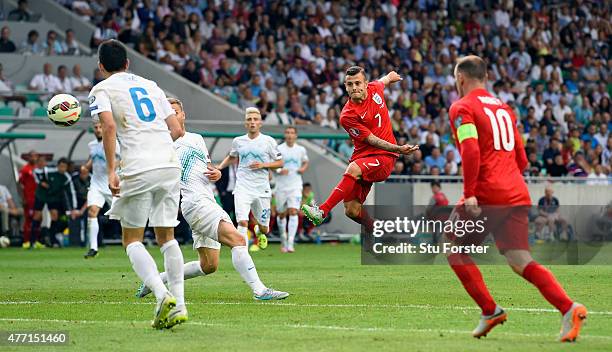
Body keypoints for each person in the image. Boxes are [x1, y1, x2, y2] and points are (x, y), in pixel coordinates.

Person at [446, 55, 585, 342]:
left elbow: (471, 150)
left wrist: (471, 193)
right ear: (485, 77)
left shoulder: (462, 107)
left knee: (452, 245)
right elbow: (521, 158)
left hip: (487, 192)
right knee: (520, 260)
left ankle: (489, 310)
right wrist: (508, 181)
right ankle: (568, 307)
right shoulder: (505, 109)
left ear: (461, 79)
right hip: (515, 190)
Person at [135, 98, 288, 301]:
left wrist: (216, 173)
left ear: (183, 115)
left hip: (205, 200)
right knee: (238, 239)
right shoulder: (163, 147)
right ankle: (259, 290)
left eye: (175, 111)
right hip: (195, 203)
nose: (173, 115)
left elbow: (208, 168)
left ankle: (154, 280)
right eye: (168, 113)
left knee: (208, 265)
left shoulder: (197, 138)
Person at [88, 39, 185, 329]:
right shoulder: (152, 85)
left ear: (101, 66)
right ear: (128, 63)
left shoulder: (101, 89)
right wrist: (157, 150)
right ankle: (179, 305)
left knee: (131, 239)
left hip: (139, 166)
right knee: (166, 236)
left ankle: (160, 294)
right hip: (169, 163)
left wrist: (111, 171)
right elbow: (177, 129)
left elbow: (108, 126)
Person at [302, 66, 418, 226]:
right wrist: (399, 148)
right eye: (350, 84)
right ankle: (379, 232)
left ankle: (322, 211)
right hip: (365, 156)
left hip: (385, 156)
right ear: (345, 87)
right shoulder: (347, 115)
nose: (354, 87)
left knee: (354, 169)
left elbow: (383, 81)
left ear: (366, 84)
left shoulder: (375, 88)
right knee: (352, 210)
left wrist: (390, 76)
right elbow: (371, 139)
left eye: (358, 83)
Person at [217, 107, 284, 251]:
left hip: (261, 189)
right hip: (242, 187)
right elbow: (232, 156)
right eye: (249, 119)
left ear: (260, 123)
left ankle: (260, 232)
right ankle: (243, 253)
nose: (252, 122)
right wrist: (219, 167)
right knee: (242, 221)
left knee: (264, 227)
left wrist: (263, 165)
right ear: (245, 123)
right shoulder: (238, 141)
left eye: (255, 119)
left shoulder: (268, 141)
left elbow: (280, 162)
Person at [82, 121, 120, 258]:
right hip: (96, 184)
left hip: (112, 184)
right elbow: (93, 158)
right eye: (96, 128)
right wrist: (86, 167)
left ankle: (135, 242)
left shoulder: (115, 143)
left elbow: (123, 160)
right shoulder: (92, 145)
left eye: (100, 127)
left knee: (124, 216)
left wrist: (113, 168)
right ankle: (93, 248)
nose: (98, 130)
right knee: (92, 211)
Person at [275, 126, 309, 253]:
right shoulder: (279, 149)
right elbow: (272, 166)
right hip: (281, 186)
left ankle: (290, 243)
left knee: (294, 211)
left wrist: (303, 168)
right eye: (287, 133)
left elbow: (305, 162)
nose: (289, 135)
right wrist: (279, 170)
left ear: (296, 135)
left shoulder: (301, 149)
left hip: (295, 185)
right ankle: (283, 239)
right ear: (285, 135)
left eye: (292, 133)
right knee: (282, 214)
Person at [32, 158, 78, 247]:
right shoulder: (49, 171)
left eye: (64, 167)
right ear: (57, 166)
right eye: (61, 166)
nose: (62, 169)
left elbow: (71, 192)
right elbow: (36, 172)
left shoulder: (66, 177)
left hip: (53, 198)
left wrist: (74, 207)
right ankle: (32, 240)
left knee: (54, 216)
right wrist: (40, 182)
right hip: (41, 195)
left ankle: (51, 239)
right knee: (37, 216)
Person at [18, 151, 39, 248]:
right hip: (29, 198)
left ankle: (35, 241)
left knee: (38, 218)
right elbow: (20, 185)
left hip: (38, 198)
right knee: (29, 219)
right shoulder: (25, 169)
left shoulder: (38, 169)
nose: (34, 158)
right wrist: (23, 198)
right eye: (32, 156)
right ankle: (26, 241)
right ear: (28, 157)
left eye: (35, 156)